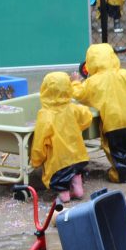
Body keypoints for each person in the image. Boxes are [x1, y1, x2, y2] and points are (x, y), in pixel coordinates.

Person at [72, 43, 126, 183]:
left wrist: (75, 82)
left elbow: (79, 94)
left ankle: (121, 175)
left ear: (90, 63)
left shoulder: (93, 81)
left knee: (117, 151)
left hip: (113, 125)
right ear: (113, 57)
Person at [29, 72, 93, 203]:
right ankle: (78, 189)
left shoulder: (45, 115)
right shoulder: (72, 108)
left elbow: (40, 141)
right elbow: (87, 117)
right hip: (79, 156)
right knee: (75, 172)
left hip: (59, 161)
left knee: (59, 179)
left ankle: (64, 194)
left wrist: (36, 160)